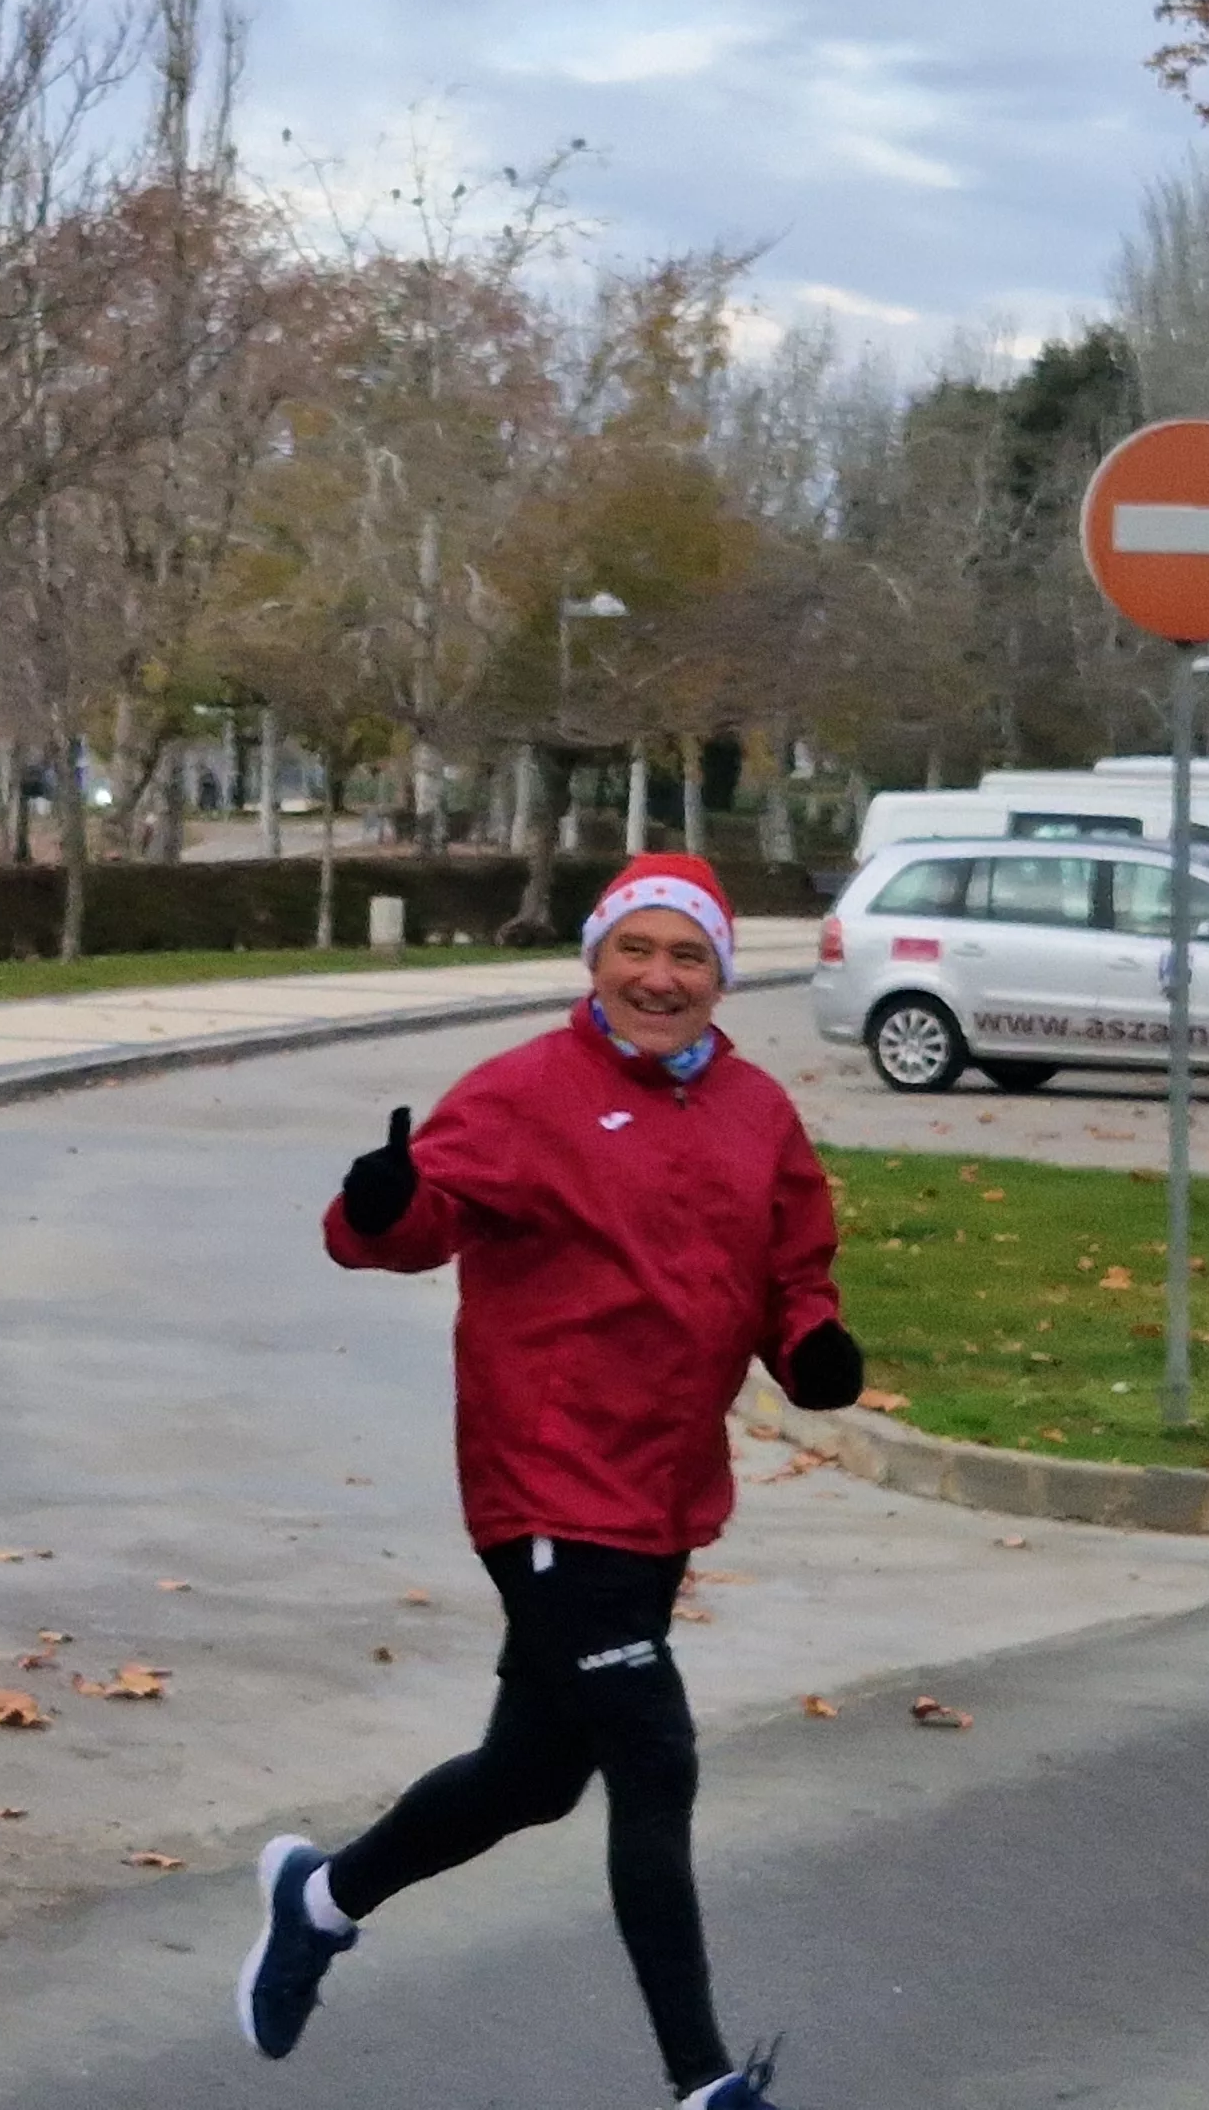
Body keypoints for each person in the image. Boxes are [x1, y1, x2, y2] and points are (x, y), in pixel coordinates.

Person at [237, 851, 857, 2110]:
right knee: (654, 1757)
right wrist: (379, 1207)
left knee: (532, 1776)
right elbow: (407, 1225)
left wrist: (810, 1347)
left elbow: (791, 1269)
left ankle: (320, 1897)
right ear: (596, 959)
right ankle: (702, 2084)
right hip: (545, 1481)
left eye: (687, 956)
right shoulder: (527, 1091)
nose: (659, 978)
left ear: (720, 977)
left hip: (663, 1491)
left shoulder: (755, 1112)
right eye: (637, 949)